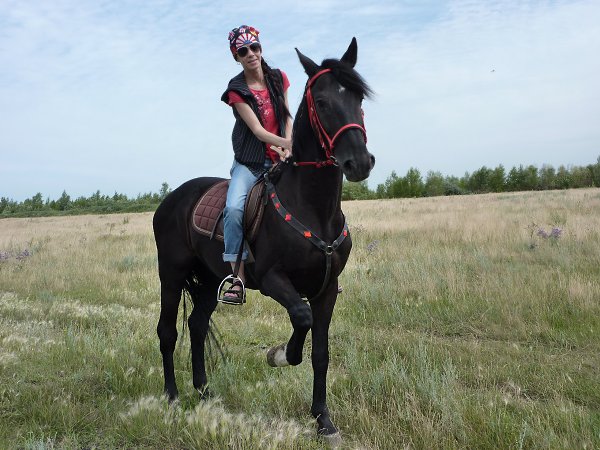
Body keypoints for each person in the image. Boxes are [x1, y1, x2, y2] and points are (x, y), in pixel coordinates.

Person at [220, 25, 293, 303]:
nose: (251, 53)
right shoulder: (236, 90)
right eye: (243, 51)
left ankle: (319, 269)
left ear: (261, 49)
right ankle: (237, 278)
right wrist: (284, 144)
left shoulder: (278, 78)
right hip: (250, 163)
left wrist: (289, 146)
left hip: (282, 156)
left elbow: (287, 116)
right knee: (233, 209)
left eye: (255, 47)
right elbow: (258, 131)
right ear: (236, 57)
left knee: (310, 193)